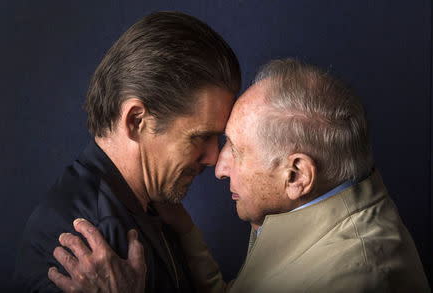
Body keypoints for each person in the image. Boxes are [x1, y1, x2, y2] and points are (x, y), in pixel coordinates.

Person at [48, 58, 431, 292]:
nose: (218, 165)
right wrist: (187, 235)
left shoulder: (357, 278)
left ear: (296, 175)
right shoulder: (303, 211)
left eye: (235, 148)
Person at [14, 11, 241, 293]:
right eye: (202, 137)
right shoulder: (88, 245)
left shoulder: (152, 206)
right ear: (135, 121)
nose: (214, 158)